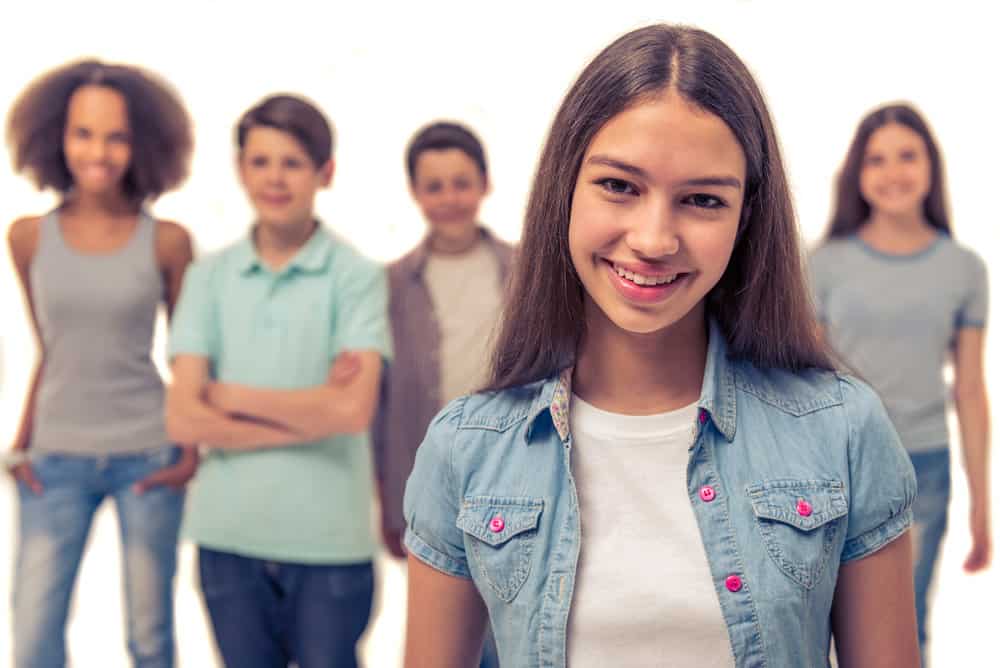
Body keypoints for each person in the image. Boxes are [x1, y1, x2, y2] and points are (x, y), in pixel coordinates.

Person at [402, 24, 920, 667]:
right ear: (564, 188)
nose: (653, 239)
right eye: (619, 186)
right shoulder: (467, 448)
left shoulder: (842, 431)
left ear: (746, 220)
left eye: (701, 200)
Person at [165, 93, 391, 668]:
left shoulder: (357, 277)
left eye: (292, 162)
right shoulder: (208, 276)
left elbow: (352, 413)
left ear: (325, 173)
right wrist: (312, 412)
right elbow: (183, 417)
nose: (275, 178)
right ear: (241, 170)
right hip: (226, 538)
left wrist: (231, 398)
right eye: (260, 162)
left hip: (328, 543)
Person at [4, 59, 197, 667]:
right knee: (33, 636)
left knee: (149, 638)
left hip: (146, 452)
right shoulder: (27, 236)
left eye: (116, 135)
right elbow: (53, 349)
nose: (99, 151)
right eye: (83, 132)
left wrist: (190, 450)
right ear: (56, 139)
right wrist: (21, 444)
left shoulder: (167, 241)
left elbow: (187, 356)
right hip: (54, 459)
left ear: (141, 143)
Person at [810, 102, 992, 665]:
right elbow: (807, 380)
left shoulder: (964, 268)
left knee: (903, 626)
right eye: (877, 159)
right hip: (832, 464)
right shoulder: (824, 264)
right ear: (857, 175)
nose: (893, 172)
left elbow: (969, 389)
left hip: (922, 469)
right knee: (820, 623)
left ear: (931, 166)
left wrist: (982, 500)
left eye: (907, 156)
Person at [374, 121, 512, 667]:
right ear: (414, 193)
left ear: (485, 184)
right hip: (432, 484)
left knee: (512, 627)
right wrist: (386, 501)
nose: (449, 198)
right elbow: (380, 405)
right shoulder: (390, 284)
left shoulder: (526, 271)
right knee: (445, 636)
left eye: (461, 182)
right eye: (434, 186)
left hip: (511, 473)